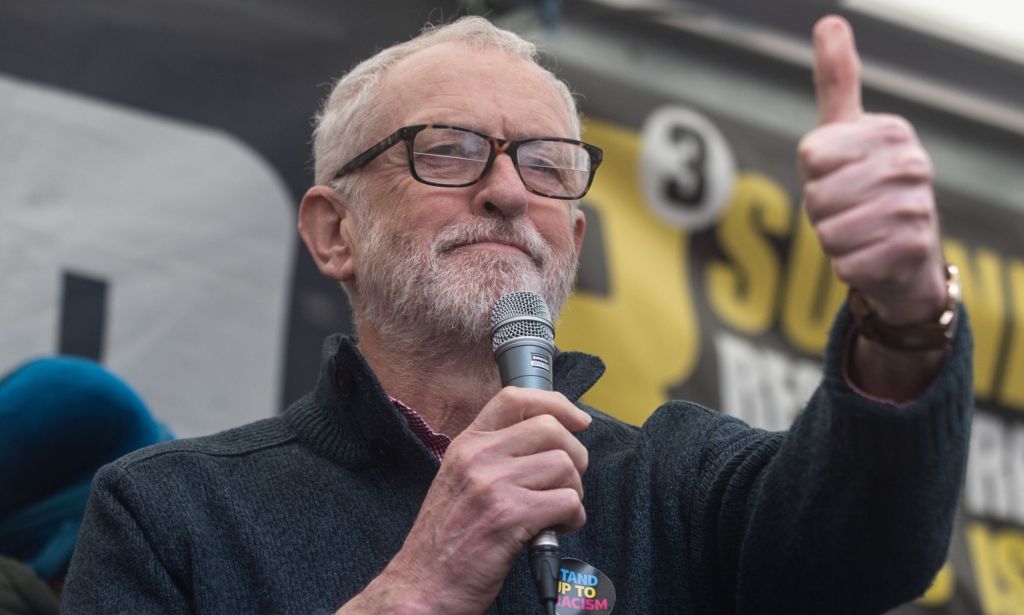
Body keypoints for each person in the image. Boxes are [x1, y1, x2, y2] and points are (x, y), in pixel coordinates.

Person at [62, 14, 972, 614]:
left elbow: (867, 547)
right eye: (449, 150)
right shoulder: (168, 514)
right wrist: (420, 586)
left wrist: (902, 311)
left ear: (571, 235)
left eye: (546, 164)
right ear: (333, 230)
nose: (507, 191)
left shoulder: (678, 480)